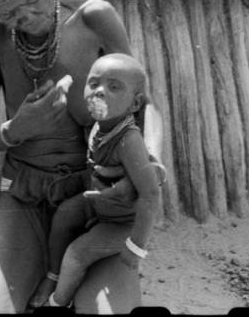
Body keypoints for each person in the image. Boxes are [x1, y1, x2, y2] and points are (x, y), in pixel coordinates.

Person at [0, 0, 163, 313]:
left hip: (96, 199)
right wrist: (15, 129)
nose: (26, 17)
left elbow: (144, 103)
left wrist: (149, 161)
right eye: (10, 14)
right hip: (25, 195)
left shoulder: (94, 18)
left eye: (32, 0)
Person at [29, 53, 162, 307]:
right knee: (64, 215)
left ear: (134, 104)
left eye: (114, 87)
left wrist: (136, 246)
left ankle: (58, 302)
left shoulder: (128, 140)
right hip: (98, 205)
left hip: (121, 222)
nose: (99, 92)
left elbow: (151, 193)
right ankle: (53, 274)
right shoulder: (101, 125)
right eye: (94, 84)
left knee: (76, 254)